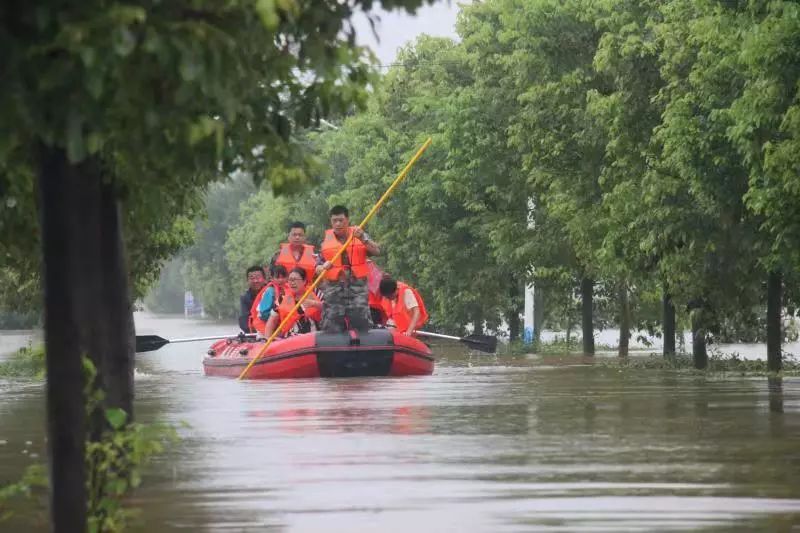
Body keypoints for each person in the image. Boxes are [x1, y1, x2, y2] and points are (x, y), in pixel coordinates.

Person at [316, 205, 380, 332]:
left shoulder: (359, 235)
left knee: (361, 322)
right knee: (331, 323)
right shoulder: (325, 241)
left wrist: (363, 238)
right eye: (335, 221)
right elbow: (317, 267)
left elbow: (377, 251)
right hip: (334, 290)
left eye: (341, 220)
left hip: (357, 288)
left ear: (347, 220)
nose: (338, 224)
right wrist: (323, 267)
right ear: (331, 222)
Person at [264, 267, 323, 338]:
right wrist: (267, 339)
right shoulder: (282, 298)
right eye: (290, 280)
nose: (292, 283)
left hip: (313, 338)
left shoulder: (316, 293)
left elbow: (329, 308)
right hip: (290, 339)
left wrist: (314, 303)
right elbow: (272, 321)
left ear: (304, 281)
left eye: (295, 280)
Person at [250, 265, 288, 335]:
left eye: (283, 277)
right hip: (264, 327)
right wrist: (278, 314)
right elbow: (264, 314)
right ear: (272, 278)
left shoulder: (287, 290)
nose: (281, 280)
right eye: (277, 277)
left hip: (277, 327)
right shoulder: (270, 291)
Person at [239, 266, 266, 333]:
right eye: (252, 278)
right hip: (254, 331)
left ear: (264, 279)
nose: (255, 281)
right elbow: (244, 318)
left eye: (258, 278)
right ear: (247, 281)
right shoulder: (245, 298)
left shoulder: (271, 292)